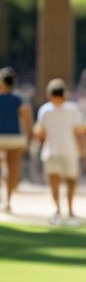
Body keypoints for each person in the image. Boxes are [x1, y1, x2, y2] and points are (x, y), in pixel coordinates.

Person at [33, 78, 86, 225]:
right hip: (69, 150)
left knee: (54, 181)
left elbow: (40, 132)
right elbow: (79, 130)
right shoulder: (73, 109)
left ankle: (58, 210)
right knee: (71, 181)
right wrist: (83, 148)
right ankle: (70, 211)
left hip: (51, 151)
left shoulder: (44, 110)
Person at [0, 67, 33, 213]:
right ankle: (8, 200)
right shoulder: (20, 99)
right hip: (15, 137)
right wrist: (28, 137)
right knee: (13, 169)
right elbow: (26, 121)